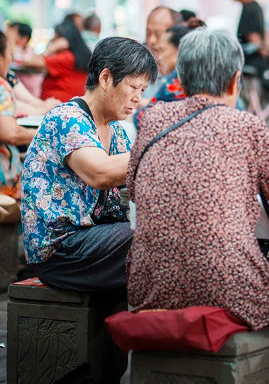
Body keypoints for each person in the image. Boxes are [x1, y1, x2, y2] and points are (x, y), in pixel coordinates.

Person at [126, 28, 269, 384]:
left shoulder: (151, 120)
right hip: (228, 292)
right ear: (236, 80)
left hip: (147, 288)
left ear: (181, 79)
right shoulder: (246, 126)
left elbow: (135, 191)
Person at [20, 37, 158, 291]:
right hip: (62, 252)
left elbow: (133, 184)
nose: (138, 98)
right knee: (154, 234)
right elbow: (100, 172)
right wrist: (162, 150)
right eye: (133, 87)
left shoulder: (115, 131)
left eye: (143, 90)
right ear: (106, 79)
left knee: (167, 226)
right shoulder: (67, 118)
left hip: (92, 241)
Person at [133, 17, 206, 127]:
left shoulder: (178, 79)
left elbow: (140, 118)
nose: (159, 57)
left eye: (162, 50)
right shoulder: (203, 73)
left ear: (179, 50)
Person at [0, 31, 37, 199]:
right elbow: (11, 134)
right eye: (9, 54)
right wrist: (41, 135)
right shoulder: (2, 86)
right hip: (5, 188)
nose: (10, 59)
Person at [23, 17, 92, 102]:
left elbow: (29, 62)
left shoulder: (65, 57)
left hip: (58, 105)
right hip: (67, 103)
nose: (52, 41)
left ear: (62, 40)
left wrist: (51, 48)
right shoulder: (79, 55)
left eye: (54, 39)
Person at [143, 5, 180, 101]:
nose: (151, 40)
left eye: (158, 34)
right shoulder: (138, 70)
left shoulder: (186, 75)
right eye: (148, 33)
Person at [229, 0, 266, 71]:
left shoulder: (250, 8)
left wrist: (263, 51)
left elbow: (253, 35)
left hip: (251, 61)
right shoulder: (255, 6)